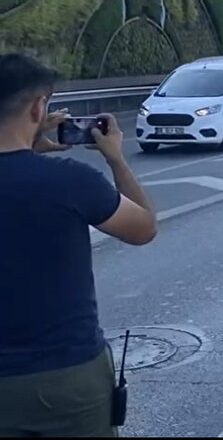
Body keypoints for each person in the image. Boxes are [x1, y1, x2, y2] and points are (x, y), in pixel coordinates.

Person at [0, 53, 157, 437]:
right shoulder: (68, 181)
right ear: (39, 107)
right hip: (65, 375)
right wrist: (116, 159)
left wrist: (29, 148)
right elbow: (143, 228)